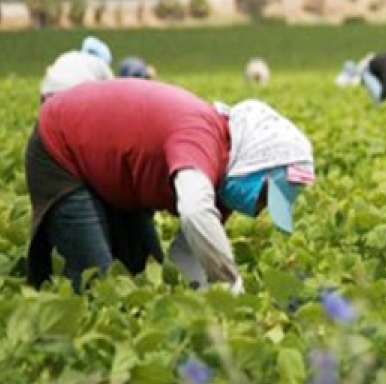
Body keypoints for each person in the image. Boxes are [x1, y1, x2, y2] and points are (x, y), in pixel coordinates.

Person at [25, 80, 315, 292]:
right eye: (265, 196)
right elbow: (194, 212)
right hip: (61, 149)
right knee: (96, 280)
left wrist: (207, 302)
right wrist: (230, 283)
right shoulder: (202, 137)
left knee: (144, 271)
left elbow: (185, 257)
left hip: (113, 175)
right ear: (255, 163)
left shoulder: (222, 185)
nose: (259, 210)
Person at [41, 37, 113, 100]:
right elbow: (112, 90)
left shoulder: (67, 55)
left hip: (48, 91)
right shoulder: (100, 62)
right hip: (75, 95)